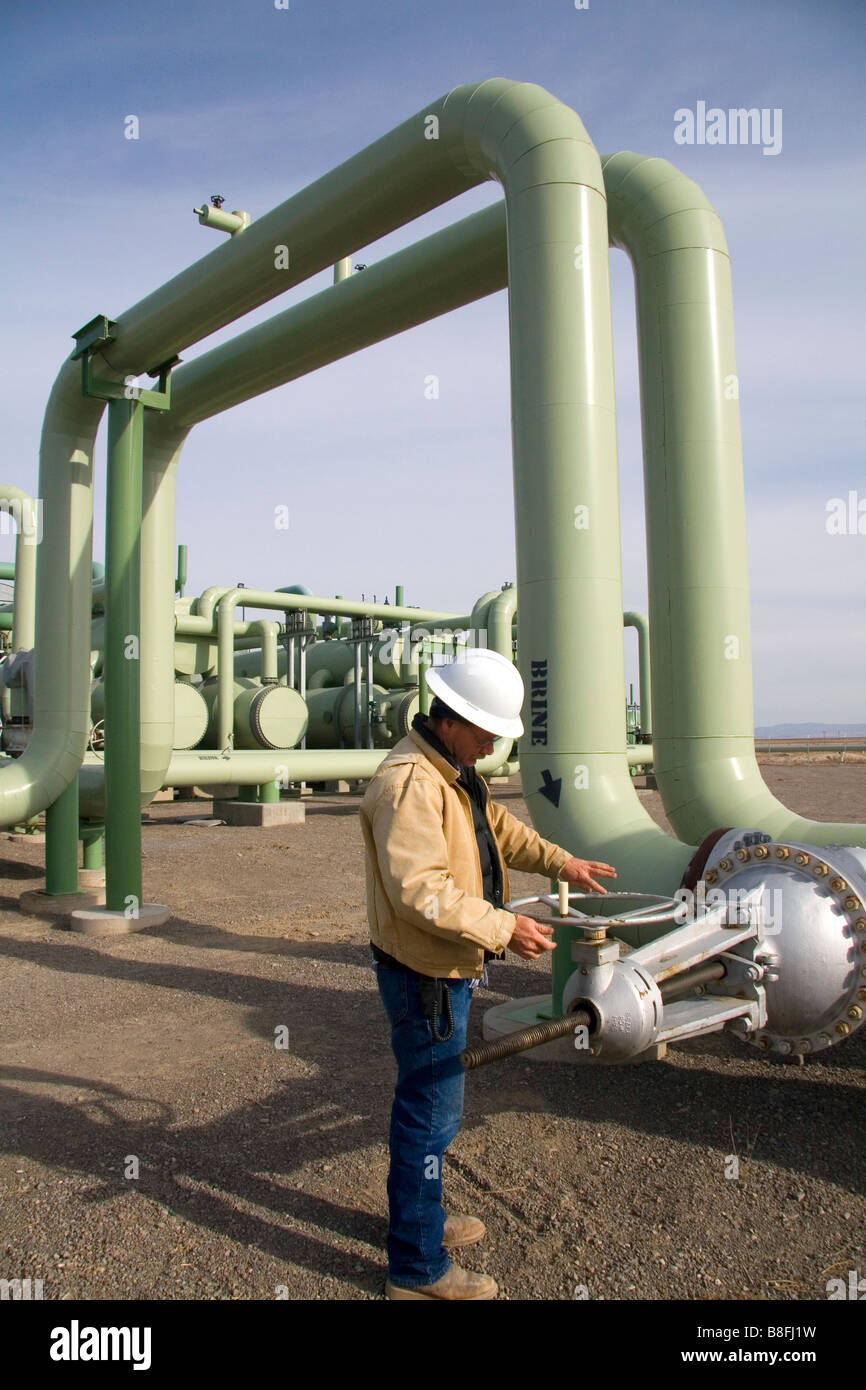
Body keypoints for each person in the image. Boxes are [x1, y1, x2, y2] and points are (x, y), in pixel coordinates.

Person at [360, 646, 617, 1300]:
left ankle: (423, 1223)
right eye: (485, 734)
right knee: (429, 1115)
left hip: (445, 968)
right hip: (426, 976)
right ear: (451, 721)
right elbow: (422, 891)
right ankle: (417, 1271)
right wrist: (504, 926)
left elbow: (495, 830)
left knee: (434, 1109)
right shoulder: (412, 783)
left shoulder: (448, 771)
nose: (490, 747)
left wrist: (562, 863)